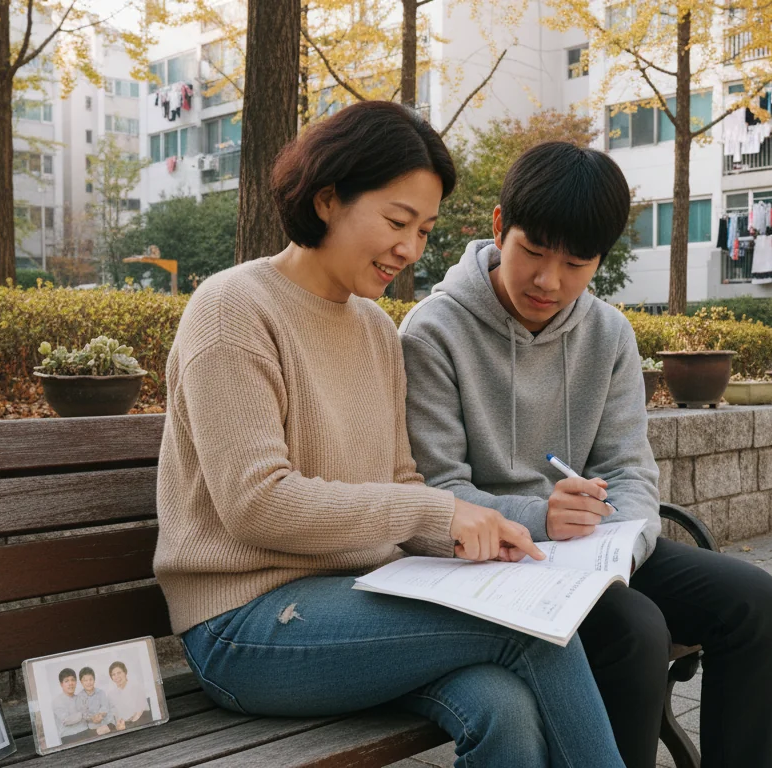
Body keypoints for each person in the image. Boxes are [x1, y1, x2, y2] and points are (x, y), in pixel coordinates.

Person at [153, 101, 624, 768]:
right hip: (245, 626)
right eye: (397, 221)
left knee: (505, 709)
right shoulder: (234, 309)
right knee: (534, 634)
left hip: (364, 602)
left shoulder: (376, 328)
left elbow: (401, 481)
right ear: (327, 199)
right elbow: (255, 504)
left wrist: (475, 535)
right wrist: (441, 510)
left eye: (425, 230)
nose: (410, 249)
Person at [400, 140, 772, 768]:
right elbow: (438, 490)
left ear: (601, 260)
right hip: (492, 558)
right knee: (636, 630)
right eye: (532, 251)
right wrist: (540, 518)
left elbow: (630, 469)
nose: (549, 281)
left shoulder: (607, 332)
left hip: (591, 548)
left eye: (577, 262)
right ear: (501, 227)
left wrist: (620, 555)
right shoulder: (433, 332)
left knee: (752, 600)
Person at [51, 668, 90, 744]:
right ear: (61, 684)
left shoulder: (80, 698)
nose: (70, 683)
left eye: (73, 680)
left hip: (85, 732)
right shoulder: (57, 701)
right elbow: (66, 720)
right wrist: (82, 714)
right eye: (66, 681)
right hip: (69, 737)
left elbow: (88, 715)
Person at [105, 661, 148, 729]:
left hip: (138, 724)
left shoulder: (136, 688)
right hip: (120, 727)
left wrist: (128, 725)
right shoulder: (111, 695)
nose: (117, 677)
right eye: (113, 674)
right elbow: (112, 715)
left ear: (125, 672)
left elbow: (141, 711)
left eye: (119, 673)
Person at [76, 666, 115, 736]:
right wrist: (92, 718)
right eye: (85, 680)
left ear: (94, 680)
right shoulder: (80, 697)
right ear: (81, 682)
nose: (88, 682)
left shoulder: (101, 692)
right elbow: (82, 713)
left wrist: (100, 715)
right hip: (92, 728)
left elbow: (105, 707)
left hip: (106, 723)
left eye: (91, 679)